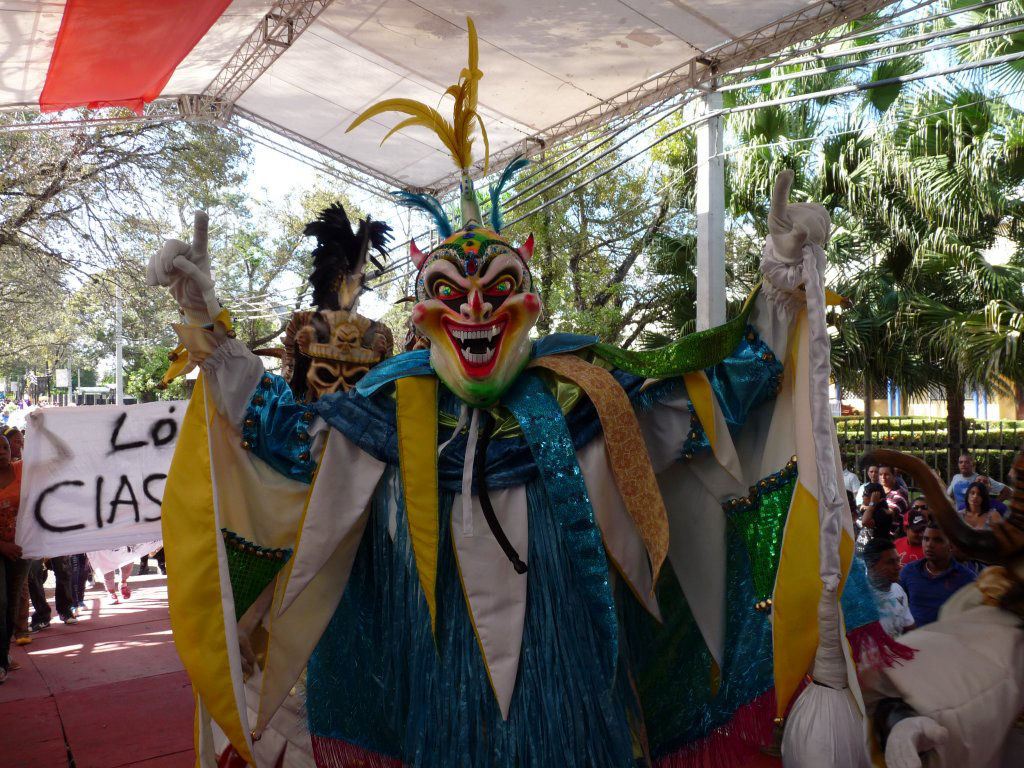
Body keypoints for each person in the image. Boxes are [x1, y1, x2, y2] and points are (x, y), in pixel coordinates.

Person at [149, 42, 852, 765]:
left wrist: (779, 285)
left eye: (499, 287)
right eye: (451, 292)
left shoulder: (594, 407)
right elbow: (282, 437)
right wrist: (210, 331)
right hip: (439, 719)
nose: (478, 309)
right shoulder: (377, 424)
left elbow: (721, 395)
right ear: (423, 314)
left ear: (531, 304)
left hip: (578, 718)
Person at [898, 525, 975, 626]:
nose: (929, 545)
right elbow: (899, 607)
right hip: (912, 638)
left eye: (938, 540)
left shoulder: (967, 578)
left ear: (951, 545)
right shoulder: (909, 571)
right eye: (926, 539)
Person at [0, 433, 25, 683]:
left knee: (11, 606)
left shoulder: (23, 470)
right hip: (2, 548)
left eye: (4, 447)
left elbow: (62, 459)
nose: (2, 451)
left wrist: (44, 428)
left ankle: (4, 654)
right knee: (0, 602)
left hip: (21, 550)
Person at [863, 538, 915, 639]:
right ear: (870, 566)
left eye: (898, 560)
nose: (898, 567)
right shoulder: (859, 597)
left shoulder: (898, 590)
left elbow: (910, 631)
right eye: (890, 562)